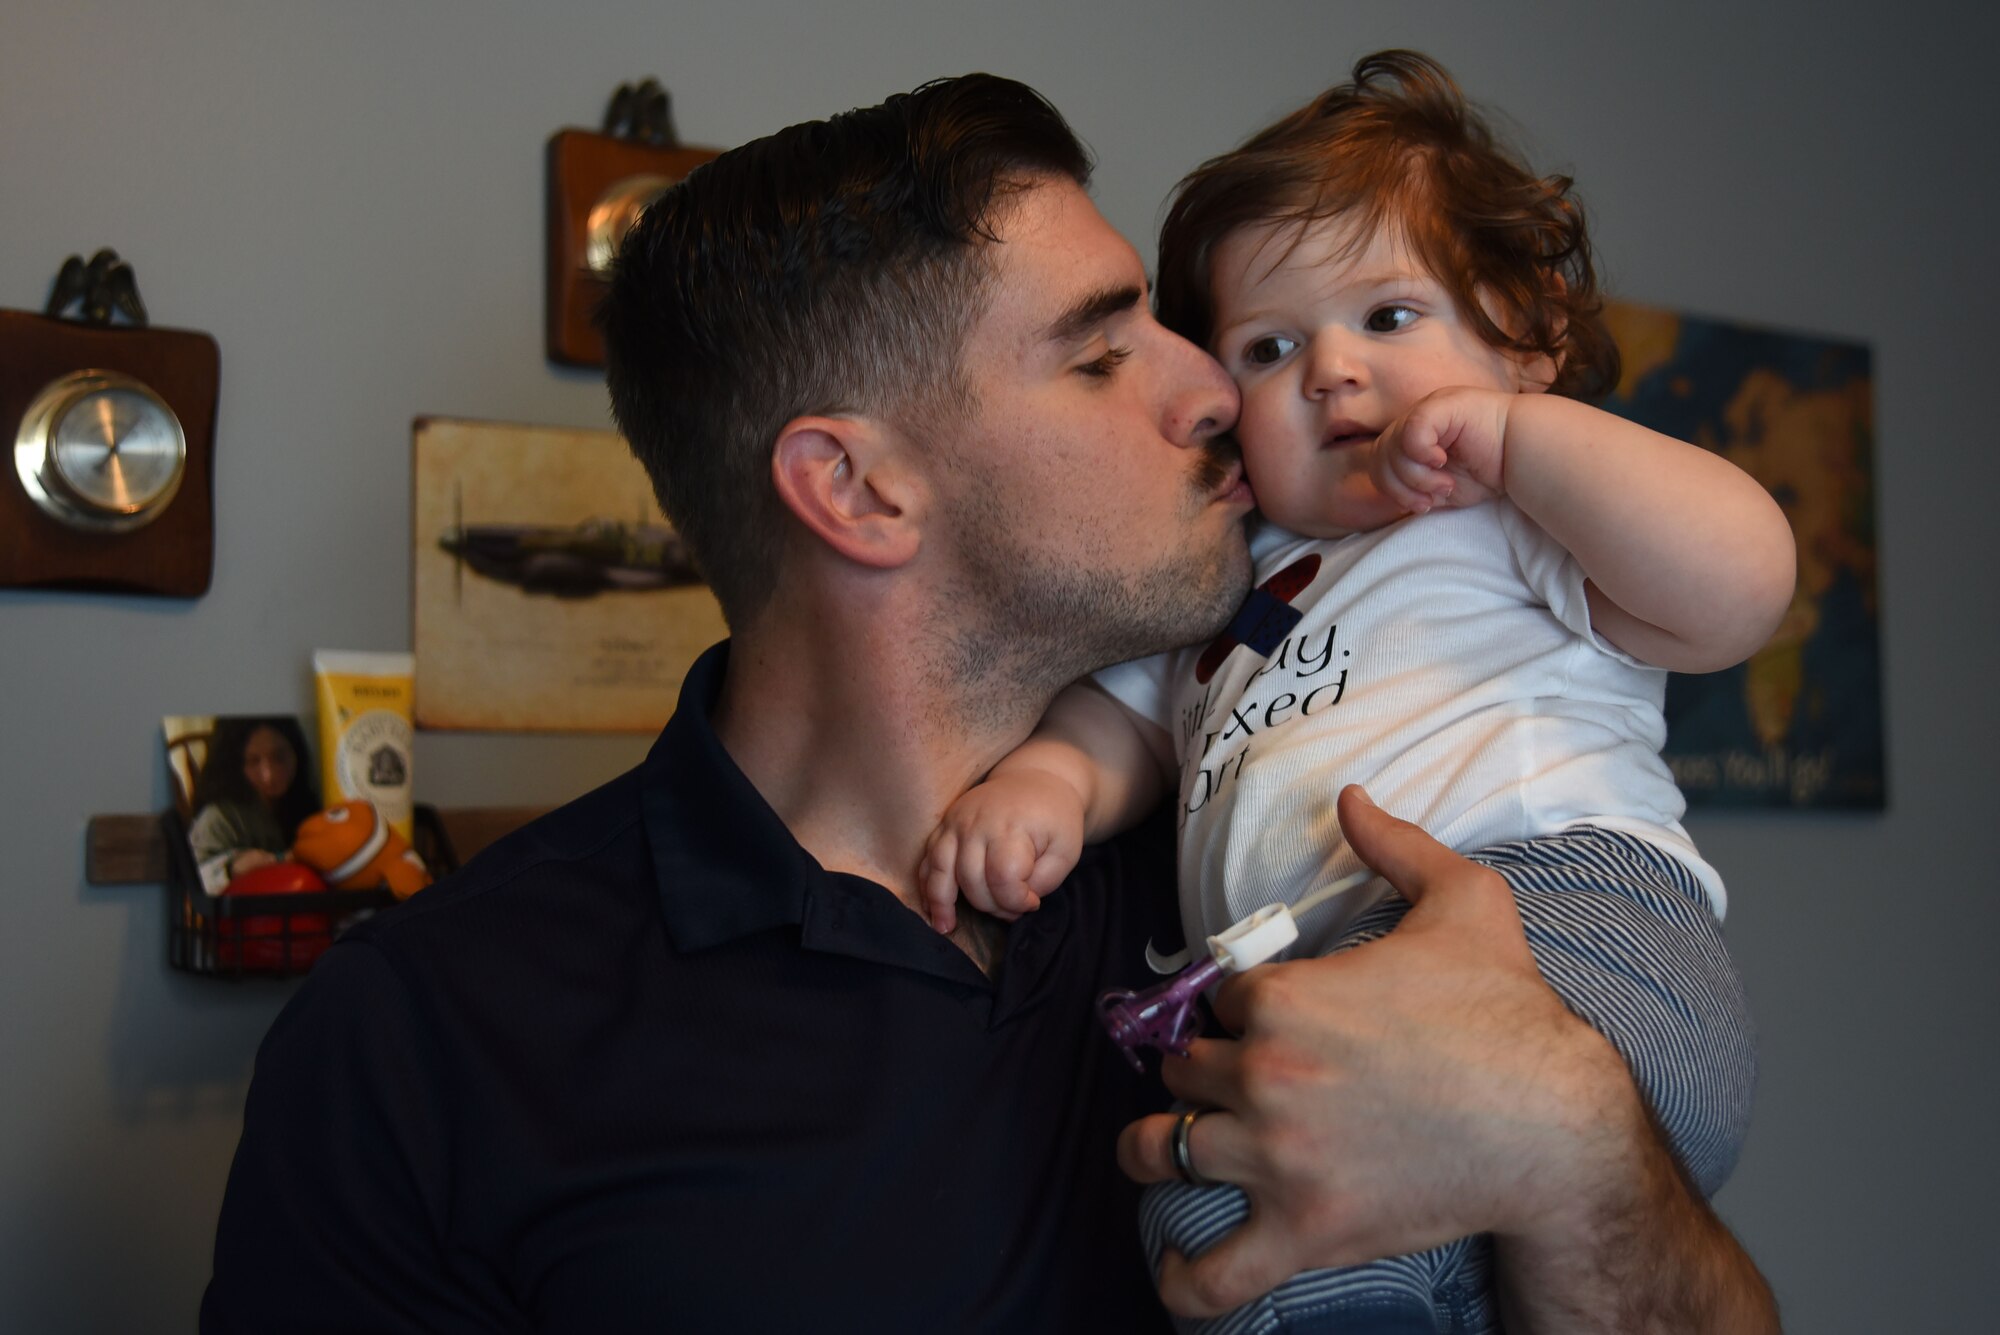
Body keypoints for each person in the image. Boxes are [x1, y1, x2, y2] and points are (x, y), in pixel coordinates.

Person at [202, 73, 1779, 1332]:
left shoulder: (1243, 866)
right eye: (1106, 357)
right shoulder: (425, 1040)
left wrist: (1574, 1143)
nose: (1221, 392)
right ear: (859, 487)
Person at [920, 51, 1793, 1332]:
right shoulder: (1225, 582)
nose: (1330, 371)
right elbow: (1121, 723)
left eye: (1387, 319)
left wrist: (1521, 439)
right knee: (1212, 1204)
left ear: (1530, 339)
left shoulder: (1518, 510)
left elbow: (1737, 586)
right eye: (1269, 348)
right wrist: (1047, 785)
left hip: (1571, 924)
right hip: (1327, 987)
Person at [186, 715, 321, 894]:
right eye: (253, 761)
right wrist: (231, 870)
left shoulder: (308, 804)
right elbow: (193, 883)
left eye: (279, 757)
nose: (269, 776)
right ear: (235, 765)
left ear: (296, 753)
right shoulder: (218, 818)